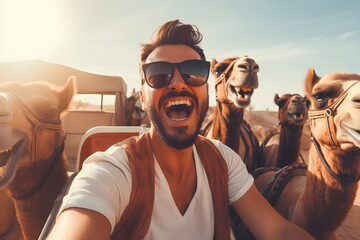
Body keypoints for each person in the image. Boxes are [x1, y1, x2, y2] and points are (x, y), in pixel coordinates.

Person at [48, 20, 314, 240]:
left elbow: (277, 230)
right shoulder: (113, 172)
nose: (177, 82)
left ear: (206, 89)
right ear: (142, 96)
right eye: (159, 74)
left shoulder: (223, 160)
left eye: (194, 72)